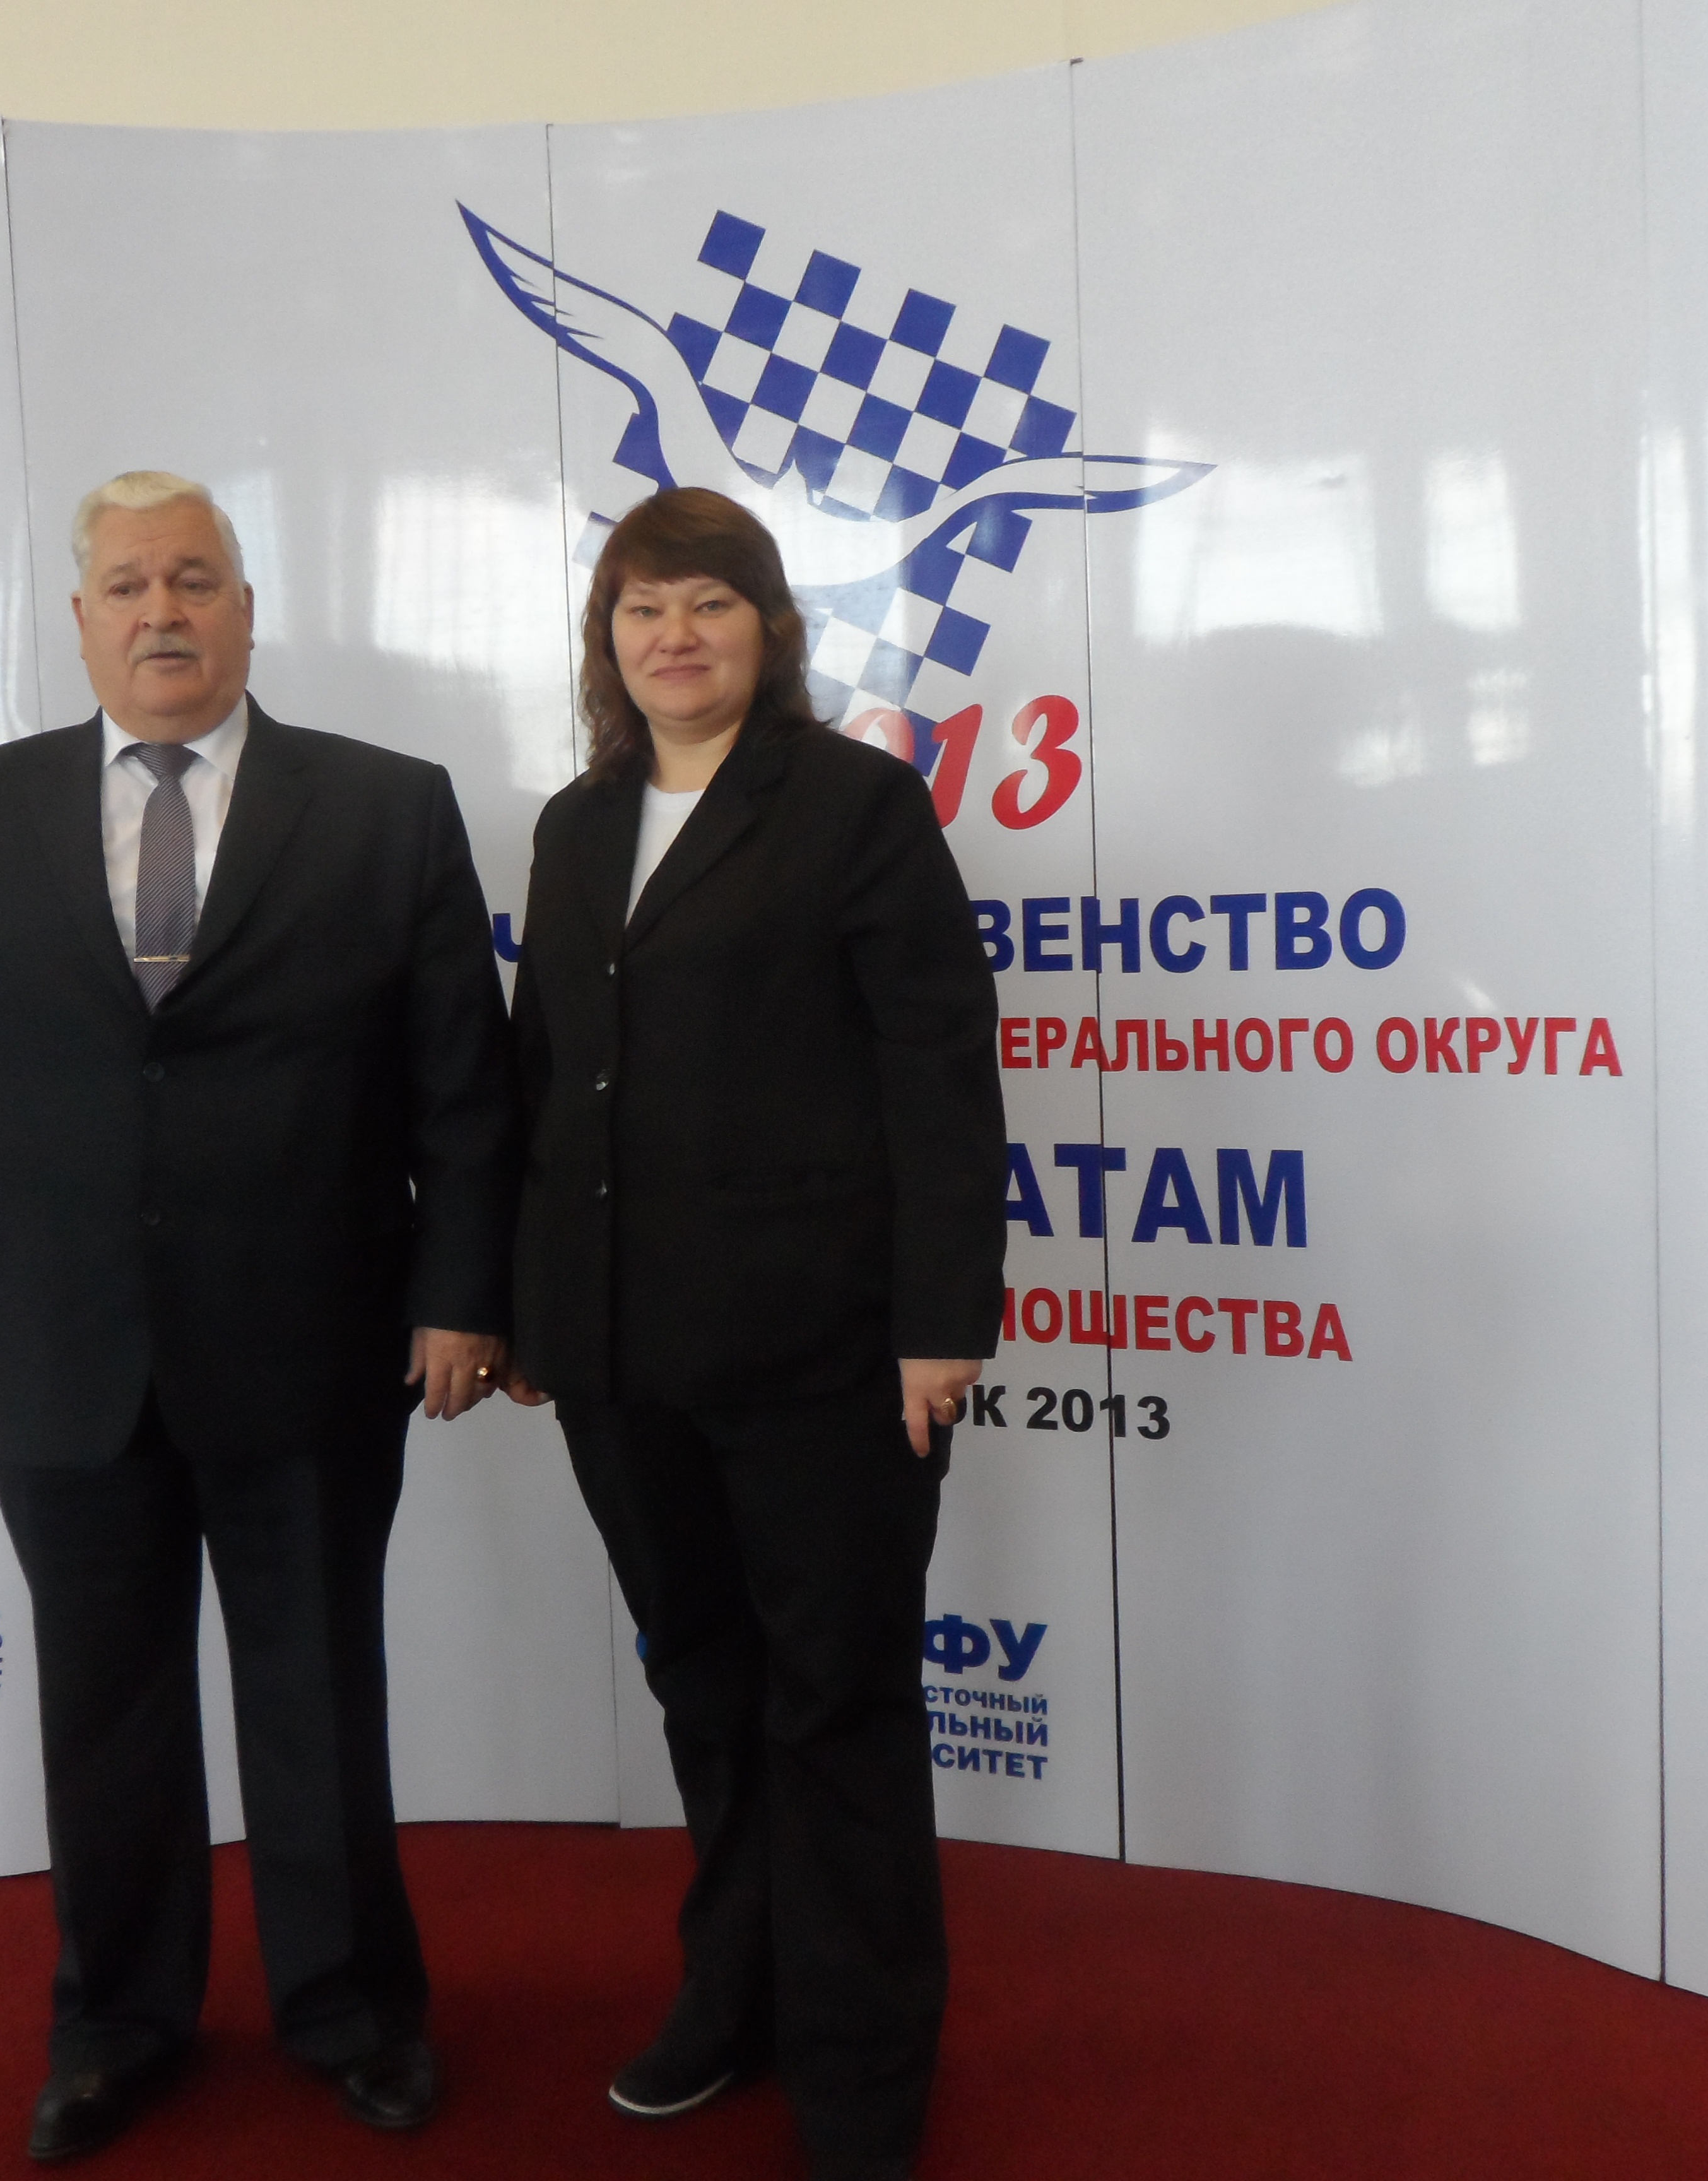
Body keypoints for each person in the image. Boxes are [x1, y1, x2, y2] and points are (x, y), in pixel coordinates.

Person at [0, 471, 515, 2162]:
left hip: (314, 1337)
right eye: (128, 584)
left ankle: (353, 2010)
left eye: (194, 578)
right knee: (106, 1711)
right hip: (62, 1346)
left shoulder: (386, 807)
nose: (162, 611)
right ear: (81, 621)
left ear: (248, 609)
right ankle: (116, 2022)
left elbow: (465, 1087)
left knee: (317, 1695)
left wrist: (465, 1294)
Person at [500, 487, 1007, 2181]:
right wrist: (526, 1307)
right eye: (644, 608)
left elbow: (938, 1070)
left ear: (770, 632)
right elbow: (542, 1077)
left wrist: (942, 1318)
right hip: (620, 1358)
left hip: (826, 1358)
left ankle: (864, 2065)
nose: (676, 636)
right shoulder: (578, 824)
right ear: (610, 640)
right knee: (707, 1695)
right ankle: (738, 1993)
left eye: (709, 603)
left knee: (834, 1703)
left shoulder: (855, 804)